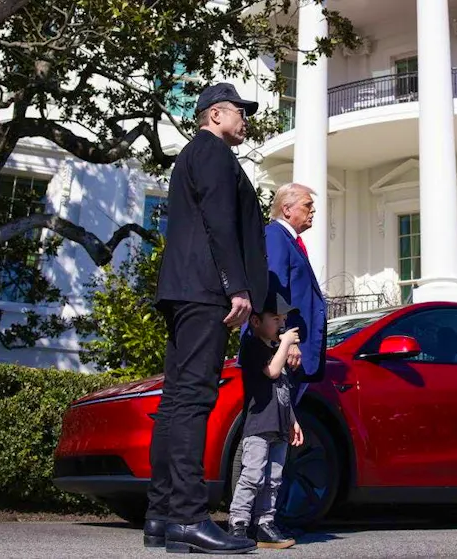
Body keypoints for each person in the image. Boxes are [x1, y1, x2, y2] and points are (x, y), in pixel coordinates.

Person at [143, 82, 269, 554]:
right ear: (215, 114)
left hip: (184, 290)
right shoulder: (214, 152)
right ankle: (188, 518)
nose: (245, 120)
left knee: (177, 400)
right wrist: (236, 285)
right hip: (204, 290)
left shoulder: (190, 155)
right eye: (240, 111)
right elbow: (219, 220)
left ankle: (162, 516)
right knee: (193, 400)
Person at [227, 290, 304, 549]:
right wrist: (286, 343)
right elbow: (271, 372)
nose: (281, 324)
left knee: (273, 479)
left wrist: (293, 420)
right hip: (259, 425)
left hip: (279, 425)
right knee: (253, 475)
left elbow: (283, 390)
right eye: (276, 318)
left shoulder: (274, 349)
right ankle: (238, 522)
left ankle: (265, 523)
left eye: (283, 319)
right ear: (256, 321)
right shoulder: (252, 346)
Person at [266, 183, 328, 403]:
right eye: (307, 205)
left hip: (293, 354)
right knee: (275, 420)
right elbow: (274, 288)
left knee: (287, 419)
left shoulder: (288, 240)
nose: (313, 210)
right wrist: (286, 339)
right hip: (282, 353)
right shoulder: (275, 236)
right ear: (286, 209)